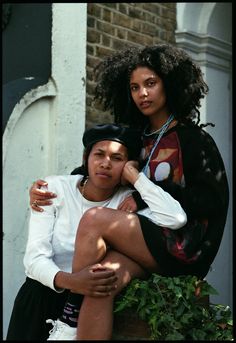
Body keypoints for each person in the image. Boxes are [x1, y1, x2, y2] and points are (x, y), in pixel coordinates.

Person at [28, 43, 229, 340]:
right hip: (141, 244)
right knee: (102, 281)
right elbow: (95, 175)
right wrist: (46, 189)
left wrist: (141, 192)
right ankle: (75, 322)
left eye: (150, 84)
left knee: (96, 219)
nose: (142, 94)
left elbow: (211, 201)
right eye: (135, 87)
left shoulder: (194, 139)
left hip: (182, 246)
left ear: (170, 84)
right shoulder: (135, 140)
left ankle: (69, 310)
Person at [7, 123, 187, 341]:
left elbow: (175, 218)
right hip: (40, 299)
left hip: (86, 308)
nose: (106, 164)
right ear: (86, 158)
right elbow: (34, 260)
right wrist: (73, 281)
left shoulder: (126, 202)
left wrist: (135, 177)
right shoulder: (53, 189)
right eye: (99, 154)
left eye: (118, 158)